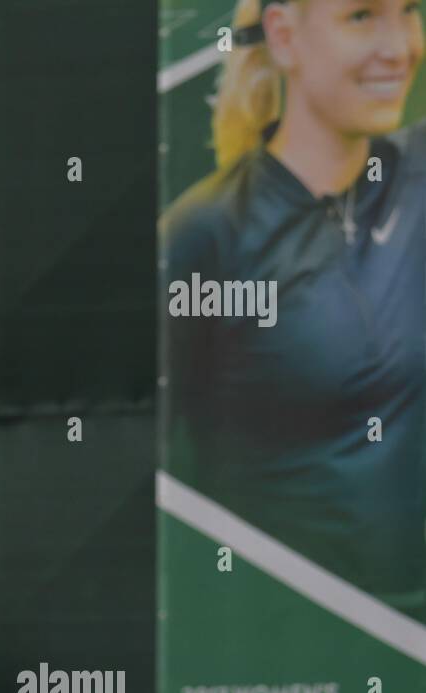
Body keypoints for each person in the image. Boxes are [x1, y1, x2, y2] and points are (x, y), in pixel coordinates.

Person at [163, 0, 426, 613]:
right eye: (362, 17)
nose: (400, 46)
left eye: (410, 11)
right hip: (296, 652)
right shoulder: (204, 235)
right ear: (283, 35)